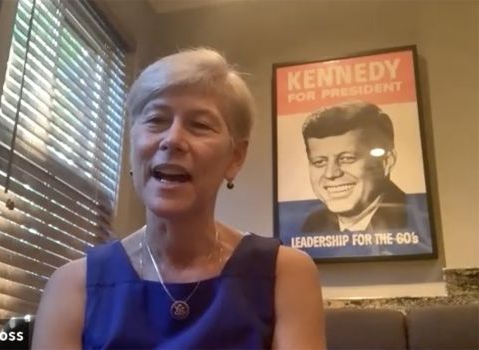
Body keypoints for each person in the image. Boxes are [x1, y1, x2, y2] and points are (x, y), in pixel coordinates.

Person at [32, 48, 325, 349]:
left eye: (199, 125)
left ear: (235, 158)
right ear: (133, 146)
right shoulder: (72, 285)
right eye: (156, 120)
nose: (172, 139)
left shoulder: (285, 273)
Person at [301, 101, 407, 233]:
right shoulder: (312, 225)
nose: (330, 174)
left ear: (386, 162)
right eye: (319, 162)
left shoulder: (415, 218)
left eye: (346, 158)